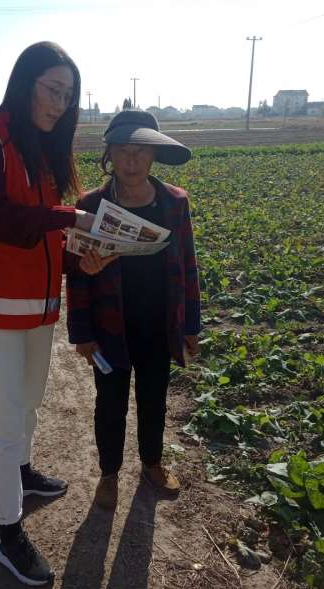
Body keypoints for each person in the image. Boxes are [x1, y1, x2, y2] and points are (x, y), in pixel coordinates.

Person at [0, 41, 95, 586]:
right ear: (25, 82)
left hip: (39, 307)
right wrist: (69, 218)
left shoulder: (42, 147)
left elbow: (46, 235)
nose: (60, 104)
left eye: (68, 95)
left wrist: (84, 249)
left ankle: (23, 472)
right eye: (53, 90)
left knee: (29, 401)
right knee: (2, 418)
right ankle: (8, 533)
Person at [66, 110, 202, 511]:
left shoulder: (174, 203)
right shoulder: (91, 205)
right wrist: (82, 334)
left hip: (159, 323)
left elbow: (188, 265)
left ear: (153, 155)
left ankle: (152, 463)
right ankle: (109, 474)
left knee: (153, 398)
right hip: (110, 326)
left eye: (141, 151)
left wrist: (190, 324)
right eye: (123, 151)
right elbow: (77, 274)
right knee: (109, 404)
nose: (132, 160)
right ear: (109, 154)